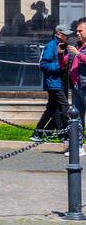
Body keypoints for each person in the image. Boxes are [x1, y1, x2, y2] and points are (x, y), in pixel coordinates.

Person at [31, 24, 70, 143]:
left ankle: (38, 133)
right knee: (64, 107)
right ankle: (65, 135)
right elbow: (43, 65)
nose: (68, 36)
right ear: (58, 34)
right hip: (53, 83)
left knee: (52, 109)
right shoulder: (50, 46)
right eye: (66, 34)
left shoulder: (65, 46)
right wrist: (60, 66)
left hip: (61, 83)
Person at [66, 17, 86, 155]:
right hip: (76, 86)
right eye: (77, 31)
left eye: (80, 30)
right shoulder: (78, 46)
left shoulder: (79, 50)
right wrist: (62, 54)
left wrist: (78, 54)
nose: (77, 33)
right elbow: (65, 63)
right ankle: (78, 147)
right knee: (76, 118)